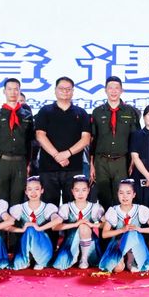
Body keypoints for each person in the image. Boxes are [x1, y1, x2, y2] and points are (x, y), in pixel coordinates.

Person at [34, 77, 91, 208]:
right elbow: (40, 135)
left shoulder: (81, 113)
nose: (65, 91)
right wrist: (56, 155)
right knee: (48, 208)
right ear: (55, 90)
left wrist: (67, 154)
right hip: (48, 167)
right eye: (61, 88)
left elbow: (86, 138)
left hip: (73, 167)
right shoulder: (45, 111)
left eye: (68, 89)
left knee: (72, 207)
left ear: (73, 91)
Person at [90, 76, 141, 209]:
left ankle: (121, 222)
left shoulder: (130, 111)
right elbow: (93, 140)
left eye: (117, 88)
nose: (113, 91)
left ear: (121, 90)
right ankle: (105, 223)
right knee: (103, 198)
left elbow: (136, 139)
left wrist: (133, 161)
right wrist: (91, 164)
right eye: (110, 88)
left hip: (122, 161)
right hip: (101, 161)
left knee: (122, 198)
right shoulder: (97, 112)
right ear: (105, 90)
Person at [0, 78, 35, 211]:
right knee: (0, 199)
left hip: (20, 162)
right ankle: (1, 225)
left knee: (17, 199)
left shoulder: (27, 115)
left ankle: (15, 225)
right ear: (4, 91)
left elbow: (30, 142)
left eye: (16, 89)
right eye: (9, 89)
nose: (13, 92)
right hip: (0, 161)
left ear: (19, 91)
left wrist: (28, 163)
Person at [99, 179, 149, 273]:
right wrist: (122, 230)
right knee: (117, 269)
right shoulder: (113, 211)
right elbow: (104, 234)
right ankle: (121, 258)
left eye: (128, 193)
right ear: (117, 194)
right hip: (118, 243)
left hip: (135, 244)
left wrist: (139, 229)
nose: (125, 196)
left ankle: (131, 259)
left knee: (132, 232)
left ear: (134, 194)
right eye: (121, 193)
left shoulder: (140, 209)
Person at [52, 175, 105, 270]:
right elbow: (55, 227)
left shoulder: (95, 208)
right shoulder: (66, 207)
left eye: (84, 190)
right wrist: (75, 224)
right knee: (60, 264)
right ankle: (74, 257)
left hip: (90, 244)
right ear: (72, 191)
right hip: (71, 243)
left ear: (88, 190)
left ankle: (84, 259)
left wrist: (92, 225)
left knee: (83, 226)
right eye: (77, 190)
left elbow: (107, 225)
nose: (80, 194)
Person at [9, 176, 60, 270]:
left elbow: (58, 220)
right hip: (24, 246)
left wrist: (39, 228)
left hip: (43, 246)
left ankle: (40, 260)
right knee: (17, 264)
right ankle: (27, 258)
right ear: (26, 192)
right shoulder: (20, 208)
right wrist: (21, 230)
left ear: (42, 190)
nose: (33, 193)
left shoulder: (47, 208)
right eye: (30, 189)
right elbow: (7, 225)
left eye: (36, 189)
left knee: (31, 229)